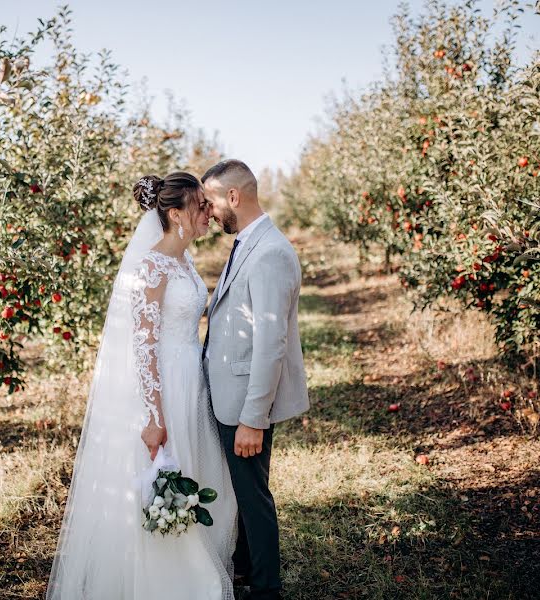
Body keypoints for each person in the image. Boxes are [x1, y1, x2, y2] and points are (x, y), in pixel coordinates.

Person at [47, 172, 238, 599]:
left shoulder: (183, 260)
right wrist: (154, 416)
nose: (209, 212)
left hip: (192, 383)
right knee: (165, 479)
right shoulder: (151, 266)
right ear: (176, 214)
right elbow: (144, 345)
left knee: (196, 477)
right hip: (165, 388)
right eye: (200, 206)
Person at [202, 159, 310, 600]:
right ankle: (245, 570)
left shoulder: (270, 252)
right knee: (242, 495)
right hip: (231, 392)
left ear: (233, 197)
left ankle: (266, 589)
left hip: (246, 400)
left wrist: (253, 418)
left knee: (253, 498)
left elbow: (271, 344)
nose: (207, 212)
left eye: (209, 201)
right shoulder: (248, 242)